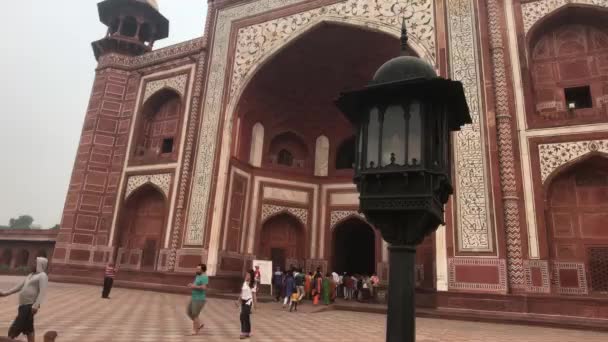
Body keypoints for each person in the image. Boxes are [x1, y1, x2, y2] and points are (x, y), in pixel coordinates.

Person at [0, 257, 49, 342]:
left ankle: (9, 339)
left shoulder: (43, 276)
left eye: (35, 263)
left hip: (30, 305)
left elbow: (42, 292)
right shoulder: (31, 275)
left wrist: (36, 305)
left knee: (16, 326)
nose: (32, 265)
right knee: (29, 328)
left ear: (40, 264)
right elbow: (19, 286)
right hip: (23, 305)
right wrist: (5, 293)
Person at [186, 263, 209, 336]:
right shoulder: (198, 276)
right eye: (197, 268)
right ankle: (199, 324)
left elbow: (204, 288)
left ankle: (195, 330)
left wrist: (193, 286)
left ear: (202, 270)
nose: (197, 270)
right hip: (193, 297)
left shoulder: (204, 277)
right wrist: (191, 285)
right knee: (188, 312)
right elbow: (195, 285)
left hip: (199, 299)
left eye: (198, 269)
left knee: (195, 314)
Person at [238, 269, 256, 339]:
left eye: (248, 274)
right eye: (246, 274)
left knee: (243, 316)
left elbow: (254, 295)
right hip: (243, 301)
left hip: (249, 302)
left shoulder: (253, 284)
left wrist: (255, 305)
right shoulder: (244, 282)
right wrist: (238, 301)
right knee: (246, 317)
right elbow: (242, 293)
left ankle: (243, 332)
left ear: (251, 275)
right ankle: (248, 332)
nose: (246, 276)